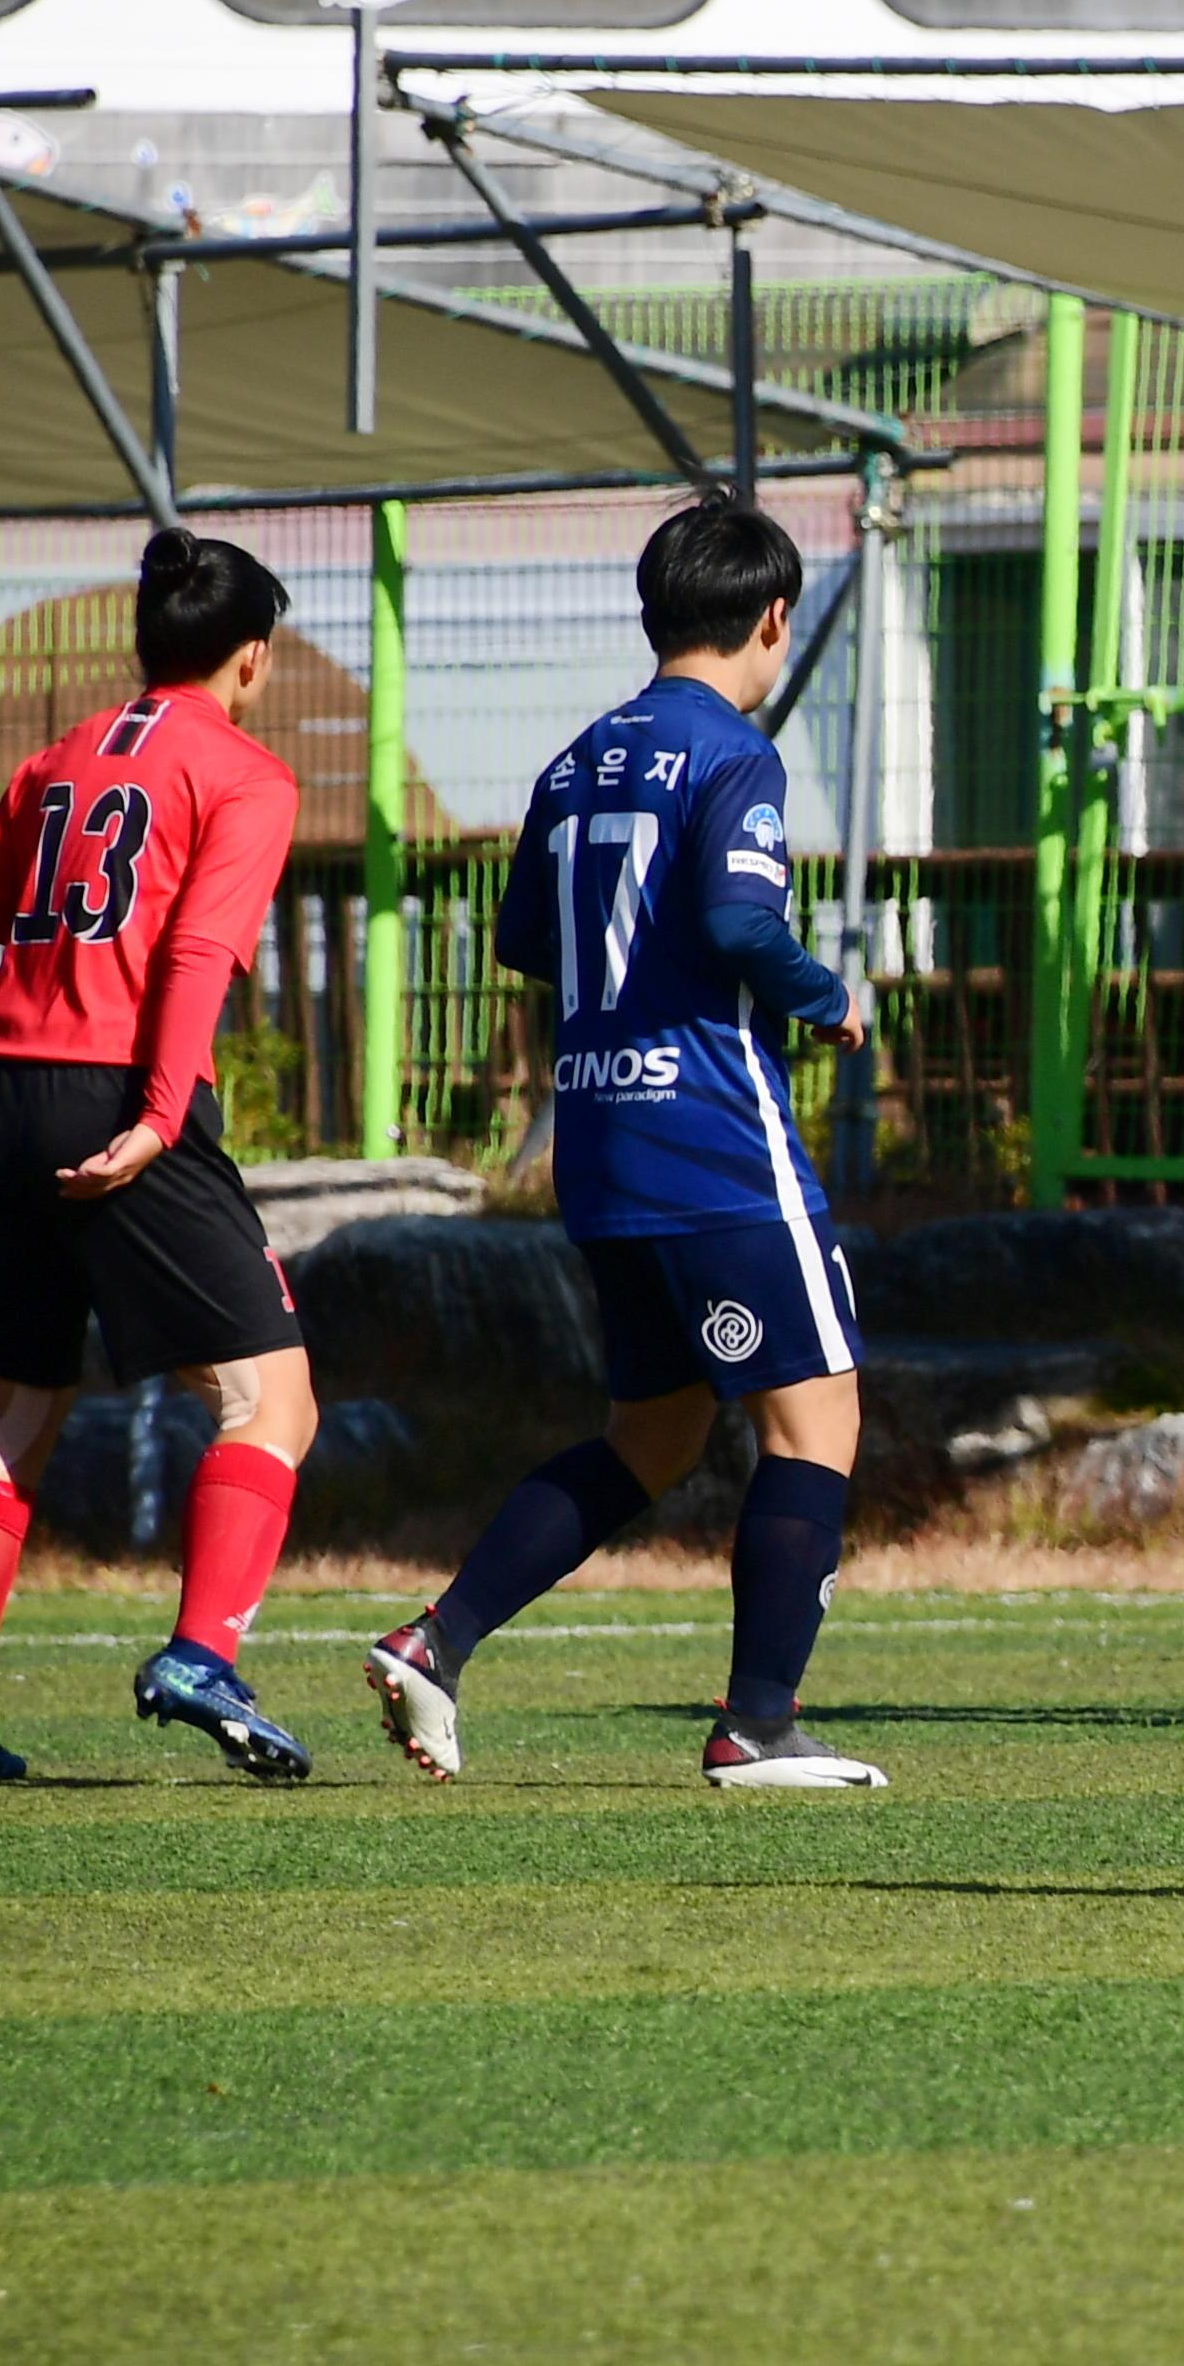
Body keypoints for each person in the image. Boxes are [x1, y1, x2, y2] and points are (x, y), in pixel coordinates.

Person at [362, 499, 882, 1790]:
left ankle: (440, 1638)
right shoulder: (735, 756)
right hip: (714, 1140)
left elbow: (525, 940)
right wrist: (827, 998)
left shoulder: (578, 758)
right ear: (773, 620)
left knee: (652, 1441)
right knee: (816, 1427)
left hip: (596, 1143)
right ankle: (759, 1722)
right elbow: (738, 920)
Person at [0, 530, 319, 1786]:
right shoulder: (245, 773)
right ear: (251, 659)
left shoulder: (55, 757)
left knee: (14, 1416)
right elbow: (196, 953)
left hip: (11, 1092)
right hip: (119, 1088)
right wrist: (154, 1107)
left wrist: (0, 1054)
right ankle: (200, 1651)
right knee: (271, 1398)